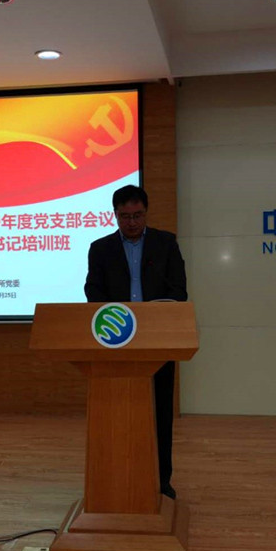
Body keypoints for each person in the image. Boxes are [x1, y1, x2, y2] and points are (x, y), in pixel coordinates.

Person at [84, 184, 187, 500]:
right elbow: (93, 291)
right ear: (115, 215)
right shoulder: (100, 249)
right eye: (125, 216)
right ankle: (117, 478)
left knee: (160, 412)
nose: (132, 222)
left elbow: (179, 290)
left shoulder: (165, 244)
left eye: (137, 215)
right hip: (115, 342)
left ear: (146, 213)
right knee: (117, 413)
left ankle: (162, 481)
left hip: (156, 340)